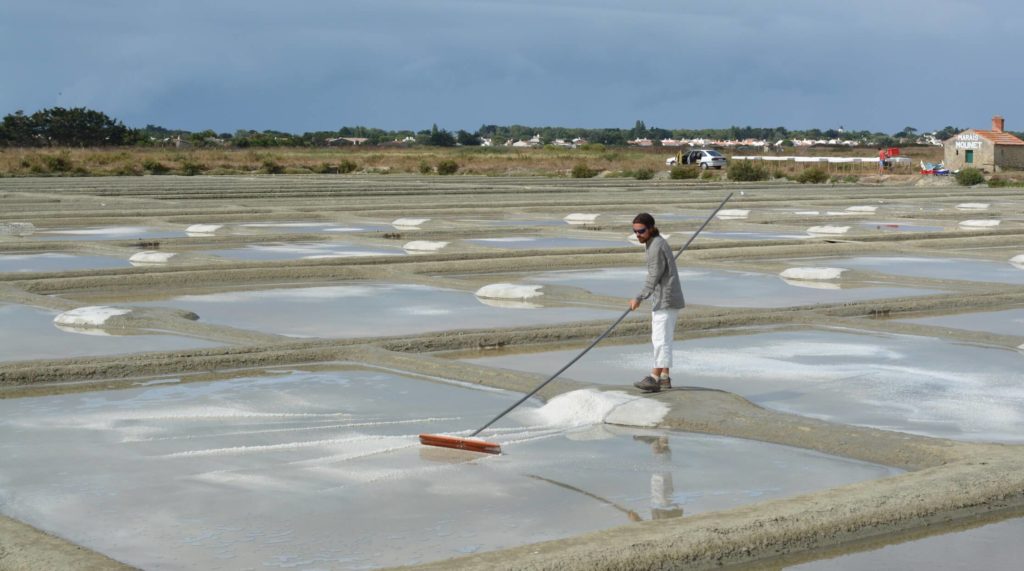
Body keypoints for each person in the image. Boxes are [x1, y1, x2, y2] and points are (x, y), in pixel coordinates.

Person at [628, 213, 684, 393]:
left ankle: (653, 378)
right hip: (664, 298)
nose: (638, 235)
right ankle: (664, 377)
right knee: (663, 338)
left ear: (651, 228)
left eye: (641, 231)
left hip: (665, 299)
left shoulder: (656, 247)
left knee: (660, 340)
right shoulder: (655, 243)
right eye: (635, 231)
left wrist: (639, 297)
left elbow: (654, 276)